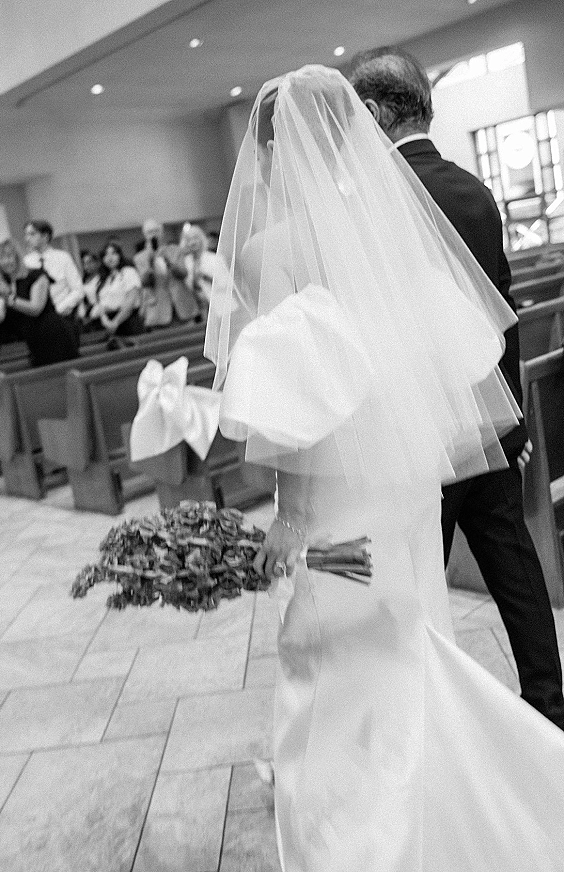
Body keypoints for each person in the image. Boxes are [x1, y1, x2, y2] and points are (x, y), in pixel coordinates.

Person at [205, 65, 564, 872]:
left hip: (337, 509)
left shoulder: (270, 252)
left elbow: (300, 406)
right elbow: (454, 364)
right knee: (404, 642)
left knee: (325, 658)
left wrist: (289, 520)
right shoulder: (392, 225)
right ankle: (442, 802)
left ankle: (361, 839)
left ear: (272, 154)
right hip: (402, 489)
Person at [348, 46, 564, 732]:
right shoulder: (473, 188)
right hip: (488, 422)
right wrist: (515, 424)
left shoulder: (375, 198)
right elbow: (502, 311)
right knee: (518, 577)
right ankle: (549, 710)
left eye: (358, 116)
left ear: (380, 112)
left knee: (411, 588)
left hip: (421, 439)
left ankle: (420, 733)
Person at [0, 238, 79, 367]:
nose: (6, 262)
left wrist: (10, 298)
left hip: (54, 334)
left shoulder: (36, 276)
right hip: (33, 341)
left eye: (9, 256)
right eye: (1, 258)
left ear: (18, 257)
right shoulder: (4, 284)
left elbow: (36, 309)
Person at [23, 220, 84, 342]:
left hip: (63, 315)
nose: (27, 238)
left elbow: (78, 290)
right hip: (38, 321)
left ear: (45, 236)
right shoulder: (26, 262)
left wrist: (58, 310)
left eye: (32, 234)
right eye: (26, 235)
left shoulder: (62, 257)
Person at [134, 219, 200, 327]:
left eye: (156, 231)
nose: (153, 234)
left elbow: (183, 274)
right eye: (150, 232)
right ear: (145, 235)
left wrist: (168, 260)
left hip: (182, 304)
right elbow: (145, 282)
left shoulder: (175, 250)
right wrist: (150, 260)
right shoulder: (140, 258)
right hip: (158, 310)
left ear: (161, 232)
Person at [90, 241, 144, 342]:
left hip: (127, 320)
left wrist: (115, 322)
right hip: (107, 322)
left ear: (119, 255)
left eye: (114, 253)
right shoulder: (103, 279)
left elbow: (130, 301)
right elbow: (101, 304)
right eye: (106, 254)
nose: (110, 257)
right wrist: (105, 320)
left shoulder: (128, 272)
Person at [178, 223, 230, 317]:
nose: (193, 242)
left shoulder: (214, 258)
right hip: (198, 309)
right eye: (189, 240)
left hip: (220, 306)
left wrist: (205, 277)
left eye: (195, 238)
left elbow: (226, 283)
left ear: (201, 239)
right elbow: (187, 286)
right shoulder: (186, 262)